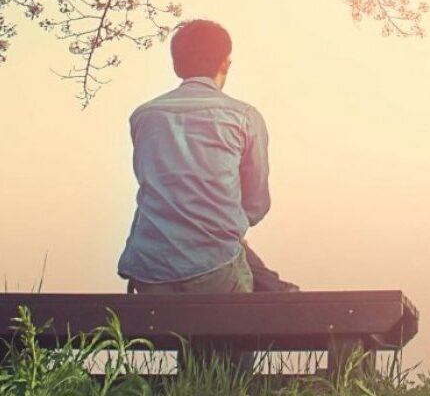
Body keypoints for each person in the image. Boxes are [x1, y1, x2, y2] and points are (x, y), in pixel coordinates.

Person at [118, 19, 298, 298]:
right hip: (216, 268)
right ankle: (282, 291)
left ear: (176, 66)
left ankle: (277, 286)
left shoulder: (144, 117)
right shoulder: (244, 117)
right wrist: (221, 222)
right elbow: (256, 204)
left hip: (149, 270)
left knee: (223, 244)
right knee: (228, 252)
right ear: (225, 63)